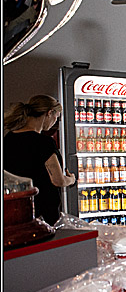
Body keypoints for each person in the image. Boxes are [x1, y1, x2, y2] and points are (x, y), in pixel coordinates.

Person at [3, 95, 75, 225]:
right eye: (56, 117)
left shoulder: (9, 138)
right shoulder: (44, 142)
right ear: (49, 113)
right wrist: (71, 179)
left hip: (18, 207)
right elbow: (58, 180)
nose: (55, 122)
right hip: (44, 209)